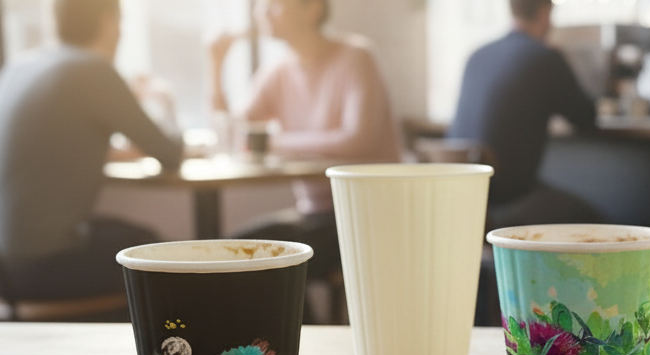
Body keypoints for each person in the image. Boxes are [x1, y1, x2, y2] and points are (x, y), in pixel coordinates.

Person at [208, 0, 402, 290]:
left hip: (369, 217)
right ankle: (292, 329)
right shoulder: (278, 71)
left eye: (273, 4)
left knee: (270, 264)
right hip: (313, 212)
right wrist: (215, 64)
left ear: (311, 8)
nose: (262, 13)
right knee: (223, 253)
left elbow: (357, 138)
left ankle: (296, 330)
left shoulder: (356, 56)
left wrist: (274, 142)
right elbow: (232, 133)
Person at [0, 0, 183, 303]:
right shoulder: (92, 70)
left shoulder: (20, 65)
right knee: (154, 254)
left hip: (8, 267)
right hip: (41, 267)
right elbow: (170, 152)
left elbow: (51, 151)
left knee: (132, 234)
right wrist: (164, 101)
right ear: (109, 22)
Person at [448, 0, 600, 229]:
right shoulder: (545, 57)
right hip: (510, 203)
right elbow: (586, 116)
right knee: (592, 220)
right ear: (545, 12)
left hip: (463, 201)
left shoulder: (476, 56)